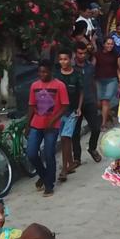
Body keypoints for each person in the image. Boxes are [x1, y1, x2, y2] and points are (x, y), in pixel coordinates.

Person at [26, 60, 69, 198]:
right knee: (31, 153)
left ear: (50, 71)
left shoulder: (59, 85)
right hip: (36, 123)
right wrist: (27, 125)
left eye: (45, 72)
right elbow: (32, 105)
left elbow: (64, 106)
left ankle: (49, 185)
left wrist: (53, 119)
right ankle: (44, 175)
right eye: (40, 72)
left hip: (52, 125)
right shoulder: (34, 85)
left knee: (49, 154)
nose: (42, 74)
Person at [54, 50, 84, 183]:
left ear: (70, 59)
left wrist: (79, 107)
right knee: (64, 137)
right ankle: (70, 163)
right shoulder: (56, 75)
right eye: (61, 59)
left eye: (65, 59)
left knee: (66, 137)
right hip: (59, 111)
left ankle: (64, 170)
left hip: (72, 110)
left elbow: (81, 91)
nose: (63, 62)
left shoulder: (77, 74)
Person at [70, 42, 101, 165]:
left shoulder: (90, 67)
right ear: (75, 53)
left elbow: (93, 82)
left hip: (89, 101)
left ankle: (92, 148)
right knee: (75, 132)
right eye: (79, 53)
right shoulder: (71, 68)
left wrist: (96, 98)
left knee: (96, 128)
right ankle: (77, 157)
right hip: (75, 104)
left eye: (84, 53)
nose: (82, 55)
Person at [93, 33, 120, 129]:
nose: (110, 46)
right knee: (98, 102)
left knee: (105, 101)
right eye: (108, 43)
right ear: (104, 44)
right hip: (99, 79)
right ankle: (109, 113)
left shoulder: (116, 55)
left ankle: (103, 124)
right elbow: (92, 66)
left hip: (111, 80)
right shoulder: (97, 54)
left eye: (111, 44)